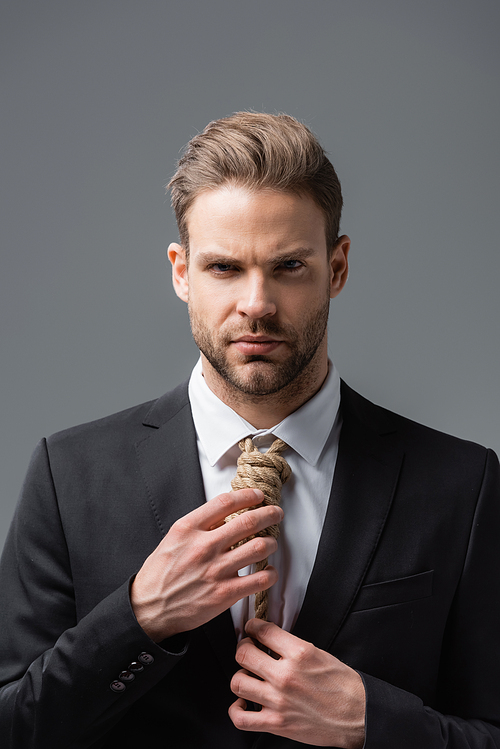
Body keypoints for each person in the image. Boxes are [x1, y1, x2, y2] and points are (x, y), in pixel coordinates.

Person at [0, 112, 499, 749]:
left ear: (337, 268)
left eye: (289, 266)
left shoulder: (463, 485)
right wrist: (139, 618)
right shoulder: (68, 478)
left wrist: (376, 724)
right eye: (225, 268)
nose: (257, 303)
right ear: (182, 273)